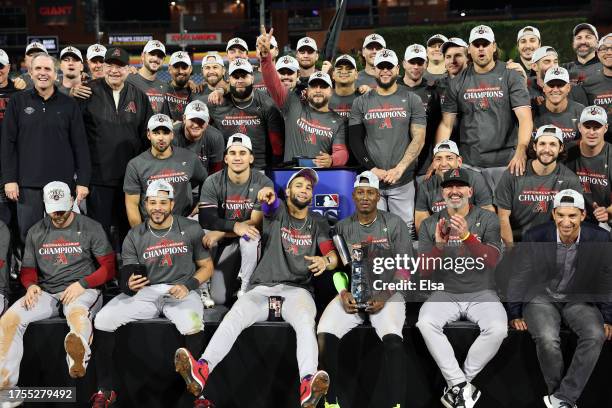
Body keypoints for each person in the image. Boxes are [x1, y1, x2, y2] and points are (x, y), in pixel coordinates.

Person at [174, 168, 338, 408]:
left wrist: (326, 261)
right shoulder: (277, 212)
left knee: (305, 323)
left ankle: (307, 384)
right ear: (289, 190)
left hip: (297, 291)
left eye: (309, 188)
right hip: (263, 288)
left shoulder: (317, 222)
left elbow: (331, 255)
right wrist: (266, 197)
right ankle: (202, 369)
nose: (304, 190)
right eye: (299, 185)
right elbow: (269, 204)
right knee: (234, 317)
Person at [92, 180, 213, 407]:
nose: (157, 207)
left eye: (163, 202)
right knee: (103, 319)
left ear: (172, 204)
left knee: (193, 325)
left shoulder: (190, 228)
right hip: (147, 291)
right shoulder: (135, 234)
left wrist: (188, 285)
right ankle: (105, 389)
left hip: (181, 290)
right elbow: (127, 273)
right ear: (145, 204)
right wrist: (129, 282)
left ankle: (198, 395)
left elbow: (207, 267)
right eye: (153, 202)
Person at [0, 181, 115, 391]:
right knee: (9, 320)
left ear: (72, 201)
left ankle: (77, 359)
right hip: (48, 291)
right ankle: (5, 388)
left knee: (77, 312)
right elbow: (28, 270)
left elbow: (109, 267)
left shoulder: (90, 227)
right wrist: (31, 285)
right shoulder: (36, 231)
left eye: (63, 209)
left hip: (83, 288)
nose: (59, 215)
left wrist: (83, 283)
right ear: (44, 205)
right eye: (54, 211)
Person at [507, 189, 612, 408]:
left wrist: (607, 317)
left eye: (572, 215)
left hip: (579, 298)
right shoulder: (535, 236)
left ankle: (563, 398)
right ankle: (560, 398)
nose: (566, 221)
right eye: (561, 215)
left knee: (595, 334)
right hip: (541, 297)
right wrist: (514, 312)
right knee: (547, 338)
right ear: (553, 214)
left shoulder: (600, 238)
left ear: (583, 215)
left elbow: (605, 279)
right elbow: (520, 275)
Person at [317, 171, 413, 408]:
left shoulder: (394, 224)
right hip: (353, 295)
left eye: (370, 192)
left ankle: (396, 405)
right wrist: (342, 293)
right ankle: (331, 402)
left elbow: (406, 269)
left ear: (378, 196)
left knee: (393, 341)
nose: (365, 197)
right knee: (325, 332)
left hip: (387, 294)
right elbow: (339, 270)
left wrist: (384, 294)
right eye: (361, 192)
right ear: (354, 195)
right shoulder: (342, 228)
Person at [417, 168, 505, 408]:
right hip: (446, 292)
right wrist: (438, 245)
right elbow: (423, 271)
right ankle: (461, 386)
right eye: (449, 187)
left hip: (482, 291)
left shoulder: (487, 219)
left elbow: (492, 260)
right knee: (425, 322)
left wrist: (467, 236)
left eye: (459, 186)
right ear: (442, 192)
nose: (454, 191)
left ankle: (458, 385)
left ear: (470, 191)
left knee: (498, 329)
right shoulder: (430, 223)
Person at [2, 53, 91, 243]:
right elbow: (8, 144)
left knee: (63, 236)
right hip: (27, 184)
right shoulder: (18, 102)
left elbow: (80, 145)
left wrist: (83, 181)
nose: (43, 73)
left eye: (48, 69)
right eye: (38, 69)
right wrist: (9, 179)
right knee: (29, 236)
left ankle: (61, 273)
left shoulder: (69, 104)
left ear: (56, 73)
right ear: (30, 73)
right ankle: (30, 273)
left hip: (62, 183)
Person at [436, 25, 532, 191]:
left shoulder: (511, 75)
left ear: (493, 47)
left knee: (506, 214)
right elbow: (446, 124)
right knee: (475, 214)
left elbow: (525, 118)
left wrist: (521, 150)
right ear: (469, 49)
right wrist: (438, 156)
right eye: (476, 44)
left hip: (506, 162)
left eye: (485, 44)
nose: (481, 49)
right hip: (470, 164)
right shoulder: (457, 81)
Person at [348, 48, 426, 232]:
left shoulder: (412, 99)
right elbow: (355, 140)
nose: (385, 71)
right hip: (372, 182)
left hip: (403, 180)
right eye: (380, 67)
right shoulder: (361, 102)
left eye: (389, 66)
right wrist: (373, 169)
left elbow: (419, 138)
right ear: (374, 70)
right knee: (375, 233)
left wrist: (400, 169)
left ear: (397, 69)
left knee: (405, 231)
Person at [80, 47, 154, 240]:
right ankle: (103, 269)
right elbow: (76, 136)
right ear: (103, 67)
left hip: (129, 180)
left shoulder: (140, 97)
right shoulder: (87, 92)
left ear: (128, 69)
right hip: (98, 178)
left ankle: (128, 269)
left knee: (129, 232)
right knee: (99, 233)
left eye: (120, 66)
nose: (114, 70)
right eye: (110, 65)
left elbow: (148, 137)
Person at [198, 134, 274, 303]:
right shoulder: (212, 181)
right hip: (224, 240)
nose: (237, 157)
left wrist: (222, 232)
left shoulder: (263, 181)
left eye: (242, 153)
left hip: (244, 240)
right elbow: (206, 218)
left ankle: (246, 289)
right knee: (202, 232)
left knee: (251, 236)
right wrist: (234, 227)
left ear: (251, 157)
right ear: (226, 158)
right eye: (233, 153)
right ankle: (202, 288)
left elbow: (255, 222)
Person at [259, 28, 348, 167]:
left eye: (323, 86)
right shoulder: (292, 104)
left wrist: (332, 160)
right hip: (290, 177)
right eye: (314, 86)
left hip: (321, 180)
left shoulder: (338, 121)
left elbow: (341, 151)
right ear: (307, 90)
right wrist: (265, 57)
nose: (318, 90)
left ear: (331, 91)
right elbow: (273, 83)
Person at [495, 125, 583, 245]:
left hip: (550, 244)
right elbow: (503, 218)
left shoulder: (570, 180)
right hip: (516, 240)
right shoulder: (513, 173)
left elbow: (573, 222)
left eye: (553, 144)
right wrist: (511, 251)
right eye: (542, 144)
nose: (547, 149)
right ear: (535, 146)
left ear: (561, 148)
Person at [124, 113, 207, 227]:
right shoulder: (135, 165)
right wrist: (141, 235)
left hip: (184, 224)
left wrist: (202, 203)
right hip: (152, 227)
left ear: (172, 135)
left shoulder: (189, 158)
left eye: (166, 133)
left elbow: (207, 180)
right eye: (156, 133)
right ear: (148, 134)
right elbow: (132, 205)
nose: (161, 138)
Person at [207, 58, 284, 169]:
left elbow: (277, 145)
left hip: (259, 169)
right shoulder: (216, 103)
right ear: (229, 79)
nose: (240, 80)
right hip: (227, 169)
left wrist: (274, 170)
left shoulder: (267, 105)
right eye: (236, 77)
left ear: (252, 78)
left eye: (244, 76)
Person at [415, 140, 494, 233]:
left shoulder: (475, 179)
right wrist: (437, 236)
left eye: (449, 158)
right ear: (434, 163)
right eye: (438, 159)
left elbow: (488, 211)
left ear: (459, 161)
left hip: (472, 234)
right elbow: (420, 219)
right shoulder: (426, 185)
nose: (443, 164)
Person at [399, 44, 442, 177]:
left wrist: (436, 158)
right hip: (396, 165)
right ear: (404, 63)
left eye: (420, 62)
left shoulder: (434, 92)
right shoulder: (392, 90)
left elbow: (438, 129)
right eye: (412, 62)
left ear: (426, 64)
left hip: (425, 166)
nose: (416, 67)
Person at [565, 105, 612, 225]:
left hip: (604, 220)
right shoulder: (567, 151)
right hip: (571, 216)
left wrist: (608, 211)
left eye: (597, 127)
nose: (591, 132)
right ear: (579, 127)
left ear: (605, 128)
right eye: (587, 126)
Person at [533, 67, 585, 144]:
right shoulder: (533, 112)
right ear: (544, 87)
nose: (555, 89)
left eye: (560, 85)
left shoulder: (581, 112)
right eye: (551, 85)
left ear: (568, 88)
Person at [173, 100, 225, 175]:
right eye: (192, 120)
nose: (196, 125)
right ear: (184, 119)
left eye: (201, 121)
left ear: (207, 122)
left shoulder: (216, 137)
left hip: (205, 181)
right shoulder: (172, 135)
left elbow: (215, 174)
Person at [0, 49, 20, 227]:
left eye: (0, 67)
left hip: (16, 162)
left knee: (17, 213)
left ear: (7, 67)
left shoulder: (20, 93)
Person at [581, 33, 612, 142]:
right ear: (598, 53)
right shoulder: (588, 84)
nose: (609, 52)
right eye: (604, 49)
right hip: (600, 147)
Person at [126, 39, 169, 114]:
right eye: (152, 54)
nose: (156, 59)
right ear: (143, 56)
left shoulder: (165, 87)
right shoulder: (127, 79)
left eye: (160, 56)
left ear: (163, 60)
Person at [165, 51, 202, 122]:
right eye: (176, 67)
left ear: (190, 69)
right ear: (169, 69)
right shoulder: (162, 90)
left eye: (184, 67)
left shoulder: (197, 91)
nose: (180, 71)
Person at [328, 54, 359, 122]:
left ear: (356, 74)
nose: (344, 71)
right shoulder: (324, 98)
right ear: (333, 74)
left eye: (349, 68)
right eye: (340, 68)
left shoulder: (364, 99)